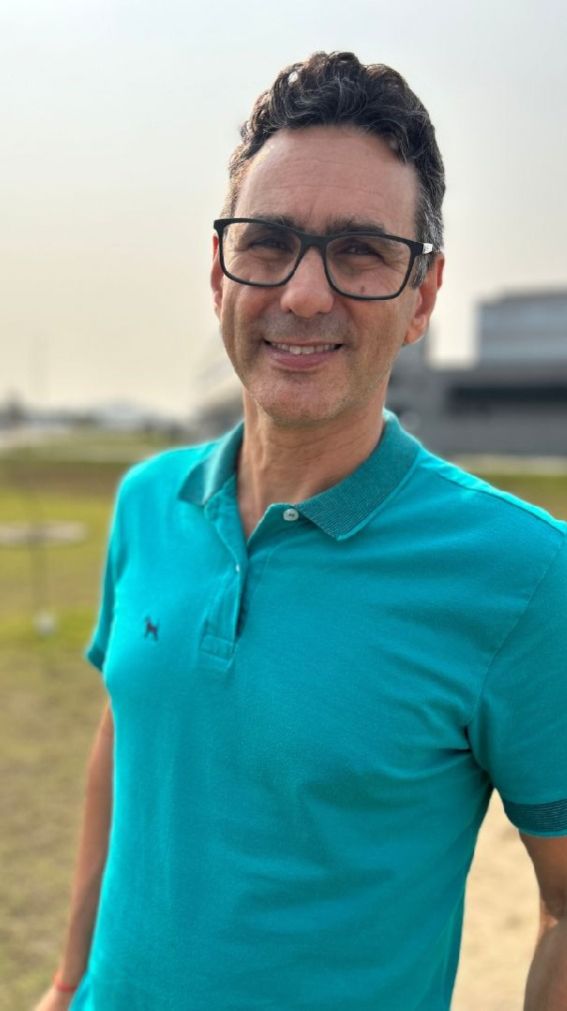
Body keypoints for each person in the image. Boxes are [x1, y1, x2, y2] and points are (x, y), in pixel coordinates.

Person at [35, 51, 567, 1011]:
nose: (305, 294)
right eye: (268, 241)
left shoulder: (524, 575)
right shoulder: (146, 501)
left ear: (422, 295)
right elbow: (128, 739)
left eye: (360, 250)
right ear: (219, 273)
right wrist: (70, 980)